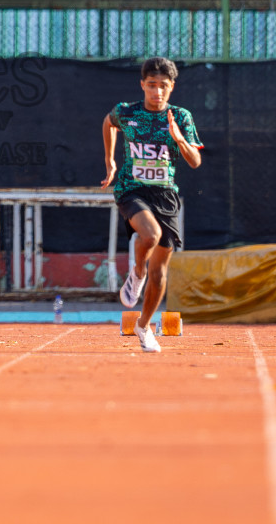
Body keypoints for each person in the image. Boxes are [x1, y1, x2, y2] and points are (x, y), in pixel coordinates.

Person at [101, 57, 203, 354]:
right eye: (151, 85)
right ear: (142, 85)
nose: (157, 92)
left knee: (160, 274)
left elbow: (195, 162)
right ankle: (137, 272)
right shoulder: (127, 112)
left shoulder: (180, 117)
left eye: (163, 86)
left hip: (165, 195)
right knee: (150, 235)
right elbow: (109, 122)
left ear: (172, 87)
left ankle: (144, 327)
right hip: (132, 190)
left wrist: (180, 140)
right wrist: (110, 161)